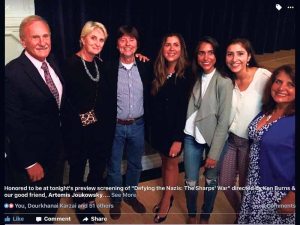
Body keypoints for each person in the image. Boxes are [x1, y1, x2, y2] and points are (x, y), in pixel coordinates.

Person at [5, 15, 67, 223]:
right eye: (36, 37)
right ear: (23, 41)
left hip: (56, 152)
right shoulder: (12, 72)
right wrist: (29, 162)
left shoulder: (53, 62)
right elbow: (12, 123)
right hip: (33, 158)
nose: (43, 42)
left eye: (46, 36)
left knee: (50, 204)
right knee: (34, 211)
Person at [62, 21, 115, 222]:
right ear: (83, 38)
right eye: (93, 38)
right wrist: (87, 119)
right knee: (77, 167)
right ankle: (80, 205)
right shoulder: (69, 64)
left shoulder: (101, 65)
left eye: (101, 40)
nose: (97, 43)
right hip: (77, 131)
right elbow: (64, 102)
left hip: (100, 132)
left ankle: (90, 200)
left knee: (97, 167)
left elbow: (105, 99)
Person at [218, 38, 272, 221]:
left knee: (245, 186)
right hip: (231, 140)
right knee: (225, 183)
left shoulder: (263, 77)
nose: (234, 59)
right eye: (230, 54)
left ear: (249, 56)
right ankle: (241, 214)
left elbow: (278, 104)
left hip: (252, 143)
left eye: (240, 53)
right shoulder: (226, 79)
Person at [183, 36, 233, 224]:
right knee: (190, 181)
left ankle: (205, 215)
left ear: (216, 55)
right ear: (197, 56)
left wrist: (214, 153)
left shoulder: (224, 81)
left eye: (210, 53)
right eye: (202, 53)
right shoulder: (193, 75)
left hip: (214, 140)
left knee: (210, 181)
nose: (206, 57)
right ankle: (192, 213)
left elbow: (223, 121)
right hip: (191, 136)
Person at [238, 64, 295, 224]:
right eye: (278, 82)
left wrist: (293, 196)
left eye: (291, 84)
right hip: (254, 184)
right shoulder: (267, 110)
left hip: (276, 192)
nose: (282, 87)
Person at [106, 25, 152, 220]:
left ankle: (131, 196)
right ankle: (116, 200)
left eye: (131, 39)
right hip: (115, 125)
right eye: (123, 40)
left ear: (137, 44)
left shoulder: (145, 65)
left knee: (135, 164)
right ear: (117, 45)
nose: (127, 43)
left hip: (138, 126)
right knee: (114, 165)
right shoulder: (107, 67)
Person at [150, 33, 191, 223]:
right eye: (168, 44)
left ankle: (167, 199)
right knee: (164, 162)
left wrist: (178, 138)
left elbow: (185, 109)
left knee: (172, 164)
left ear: (181, 49)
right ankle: (169, 192)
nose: (172, 48)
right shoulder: (157, 70)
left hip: (175, 131)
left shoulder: (187, 74)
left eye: (176, 45)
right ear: (162, 48)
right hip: (159, 130)